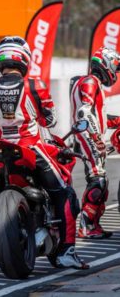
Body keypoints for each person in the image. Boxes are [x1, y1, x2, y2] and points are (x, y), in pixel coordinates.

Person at [0, 36, 89, 273]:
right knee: (64, 193)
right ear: (24, 59)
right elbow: (49, 118)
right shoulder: (35, 86)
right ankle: (67, 251)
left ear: (0, 59)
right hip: (32, 149)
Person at [70, 47, 120, 239]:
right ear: (106, 64)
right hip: (87, 137)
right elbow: (84, 113)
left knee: (101, 181)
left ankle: (93, 225)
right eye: (115, 68)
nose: (115, 74)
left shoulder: (88, 82)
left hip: (85, 135)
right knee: (98, 179)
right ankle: (86, 226)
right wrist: (97, 138)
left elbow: (97, 116)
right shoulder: (90, 82)